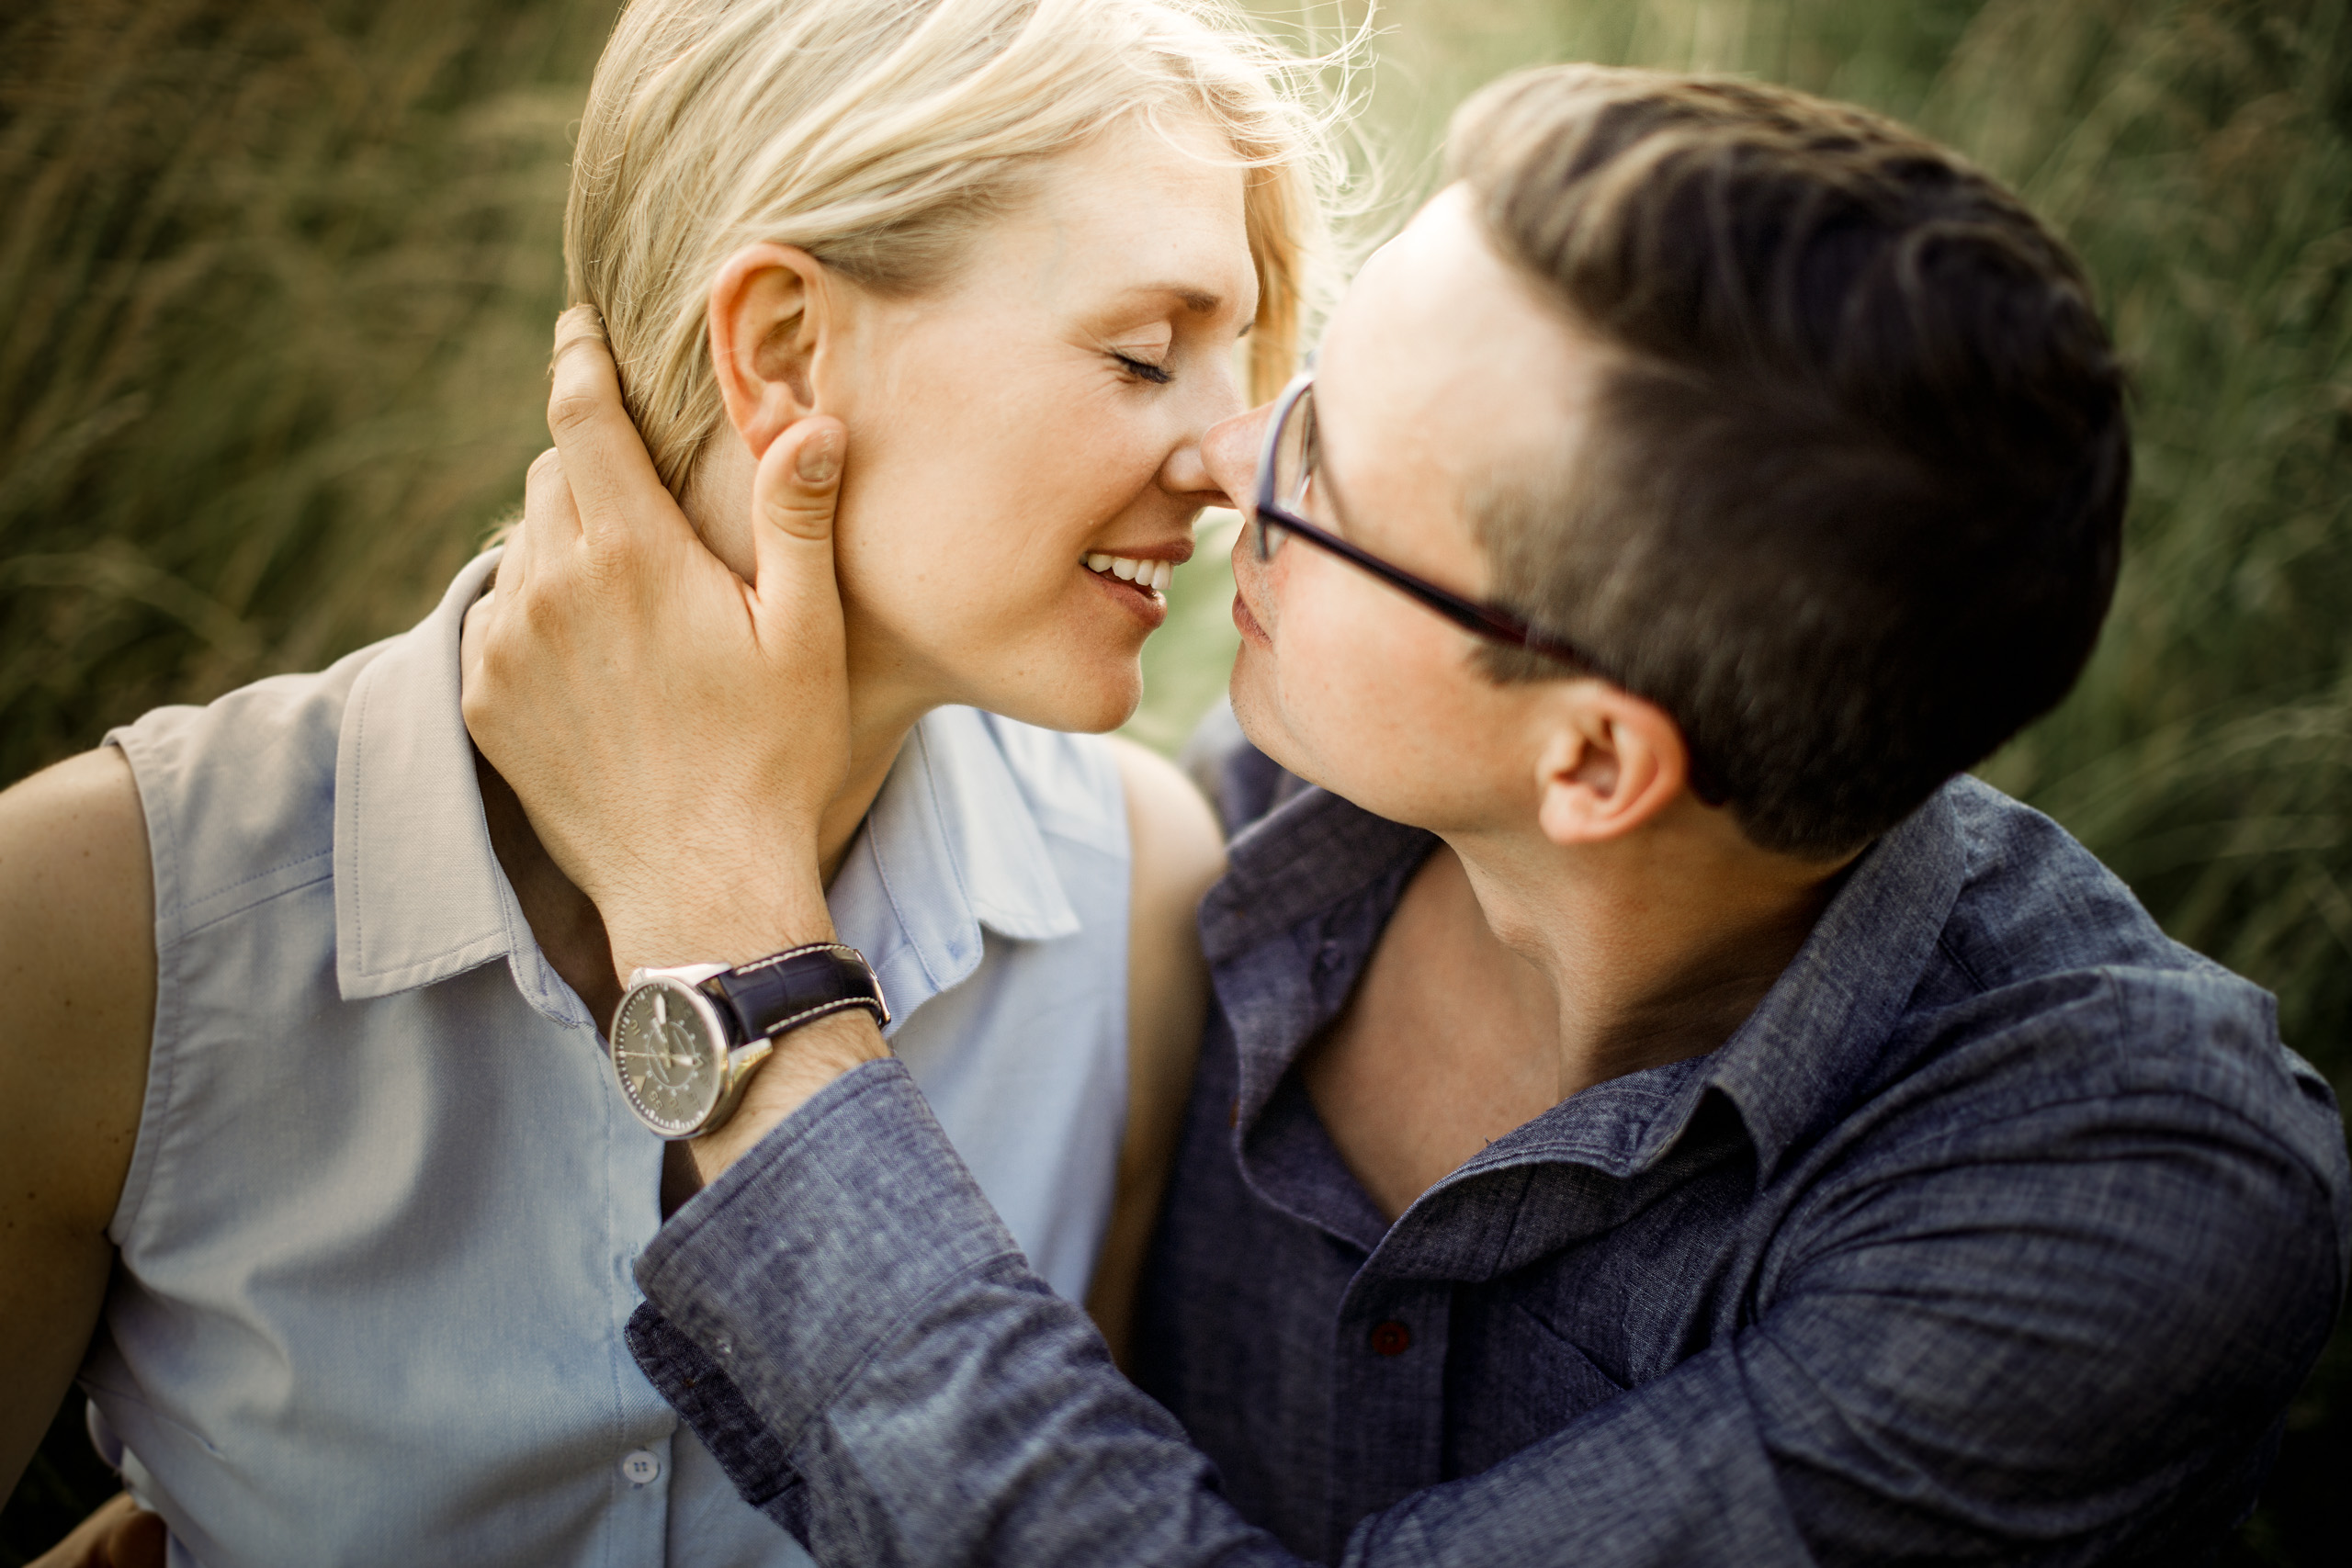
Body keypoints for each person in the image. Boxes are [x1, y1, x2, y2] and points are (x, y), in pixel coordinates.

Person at [458, 63, 2352, 1565]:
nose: (1227, 461)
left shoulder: (2119, 1205)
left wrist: (723, 934)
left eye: (1324, 472)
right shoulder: (1280, 815)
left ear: (1593, 762)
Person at [0, 0, 1347, 1560]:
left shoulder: (1135, 899)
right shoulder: (101, 926)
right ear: (782, 349)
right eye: (1141, 354)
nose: (1230, 454)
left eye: (1235, 363)